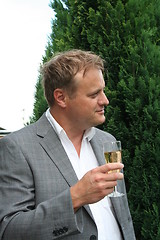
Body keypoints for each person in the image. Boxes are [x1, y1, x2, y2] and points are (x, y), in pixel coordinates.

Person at [0, 49, 136, 240]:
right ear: (61, 97)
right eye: (94, 94)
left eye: (103, 90)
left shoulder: (107, 140)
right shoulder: (18, 147)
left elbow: (123, 219)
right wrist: (76, 197)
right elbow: (10, 231)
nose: (105, 100)